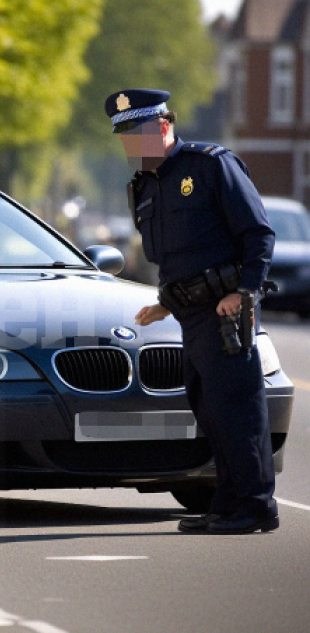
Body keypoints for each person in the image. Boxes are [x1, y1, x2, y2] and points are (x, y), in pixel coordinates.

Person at [105, 88, 279, 534]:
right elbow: (176, 257)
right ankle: (228, 502)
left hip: (225, 311)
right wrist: (164, 304)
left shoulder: (210, 165)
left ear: (164, 126)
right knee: (210, 410)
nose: (132, 146)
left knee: (238, 410)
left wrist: (245, 291)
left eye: (139, 133)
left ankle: (257, 506)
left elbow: (258, 233)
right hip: (190, 316)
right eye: (125, 138)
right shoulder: (144, 186)